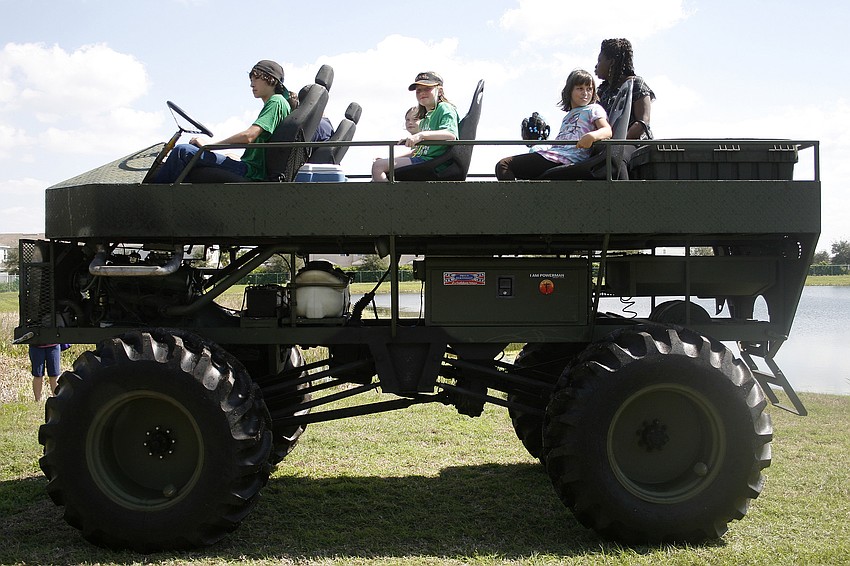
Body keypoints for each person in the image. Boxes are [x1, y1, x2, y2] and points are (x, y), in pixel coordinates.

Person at [153, 60, 292, 183]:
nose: (251, 84)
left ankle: (152, 201)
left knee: (182, 151)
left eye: (256, 78)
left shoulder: (276, 101)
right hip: (251, 167)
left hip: (252, 172)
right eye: (251, 79)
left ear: (271, 79)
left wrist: (209, 146)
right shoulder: (279, 103)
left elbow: (248, 136)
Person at [495, 69, 612, 180]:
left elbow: (607, 130)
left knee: (504, 165)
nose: (585, 93)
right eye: (580, 88)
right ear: (570, 91)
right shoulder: (568, 116)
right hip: (555, 156)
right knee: (511, 169)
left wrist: (592, 136)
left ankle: (512, 200)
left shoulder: (593, 109)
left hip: (567, 158)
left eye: (589, 89)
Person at [371, 72, 459, 182]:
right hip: (423, 160)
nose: (422, 93)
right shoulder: (425, 117)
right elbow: (416, 152)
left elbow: (450, 135)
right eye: (418, 90)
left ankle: (390, 198)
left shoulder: (444, 108)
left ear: (439, 91)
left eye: (427, 89)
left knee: (378, 167)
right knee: (380, 165)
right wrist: (391, 159)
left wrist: (421, 135)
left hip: (434, 163)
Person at [594, 38, 655, 140]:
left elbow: (643, 122)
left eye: (599, 60)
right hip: (606, 149)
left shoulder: (636, 84)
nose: (596, 65)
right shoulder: (602, 91)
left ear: (612, 63)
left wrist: (619, 146)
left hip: (633, 150)